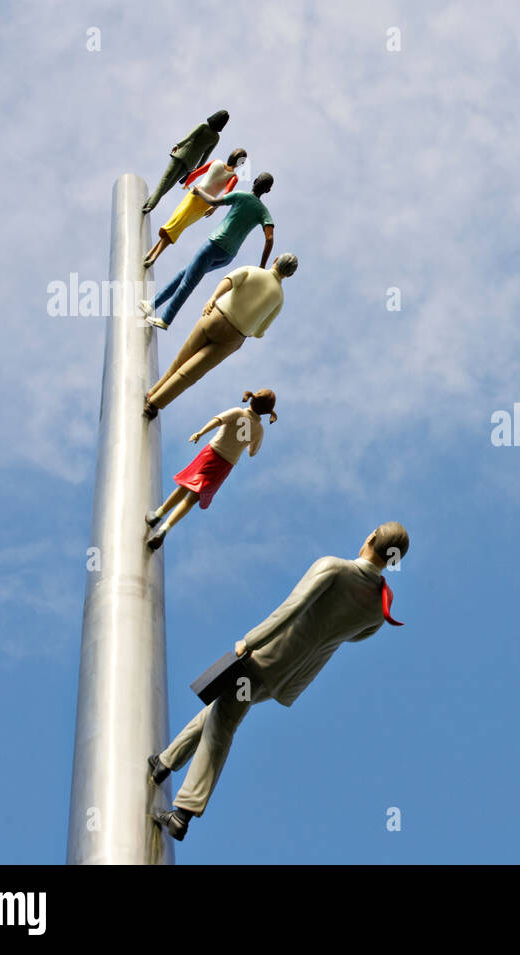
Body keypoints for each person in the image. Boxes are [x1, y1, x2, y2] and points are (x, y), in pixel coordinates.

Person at [149, 522, 411, 841]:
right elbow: (353, 637)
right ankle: (166, 762)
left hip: (262, 660)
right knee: (223, 708)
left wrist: (250, 641)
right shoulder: (378, 610)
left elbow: (291, 609)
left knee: (222, 725)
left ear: (371, 538)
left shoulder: (334, 567)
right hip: (288, 678)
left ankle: (184, 813)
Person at [143, 253, 296, 418]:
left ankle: (154, 391)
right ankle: (154, 403)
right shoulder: (279, 298)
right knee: (190, 373)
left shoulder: (253, 270)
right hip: (234, 336)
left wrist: (213, 298)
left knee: (181, 359)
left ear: (275, 260)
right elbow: (260, 330)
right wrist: (251, 328)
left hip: (215, 316)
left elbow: (229, 280)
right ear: (289, 275)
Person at [140, 172, 276, 331]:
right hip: (228, 256)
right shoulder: (263, 211)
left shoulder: (240, 196)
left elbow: (213, 201)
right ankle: (152, 304)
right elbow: (269, 238)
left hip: (215, 244)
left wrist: (199, 192)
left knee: (187, 283)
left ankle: (166, 319)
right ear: (268, 191)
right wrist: (262, 266)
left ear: (255, 181)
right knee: (184, 274)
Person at [145, 390, 277, 550]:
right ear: (266, 412)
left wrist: (200, 433)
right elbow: (252, 452)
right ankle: (165, 529)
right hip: (224, 466)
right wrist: (247, 442)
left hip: (211, 454)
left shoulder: (238, 412)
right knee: (193, 499)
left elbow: (217, 421)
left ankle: (158, 514)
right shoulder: (259, 430)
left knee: (185, 486)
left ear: (252, 400)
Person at [143, 148, 246, 268]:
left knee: (177, 224)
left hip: (195, 194)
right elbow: (225, 195)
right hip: (204, 204)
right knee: (177, 225)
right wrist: (214, 208)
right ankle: (153, 254)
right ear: (240, 162)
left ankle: (153, 255)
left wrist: (187, 184)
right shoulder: (233, 177)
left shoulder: (216, 162)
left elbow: (196, 173)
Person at [142, 110, 230, 214]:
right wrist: (198, 169)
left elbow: (189, 137)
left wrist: (178, 145)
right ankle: (149, 203)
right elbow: (206, 155)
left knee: (165, 181)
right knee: (169, 184)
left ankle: (150, 205)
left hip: (181, 155)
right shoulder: (216, 138)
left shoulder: (203, 126)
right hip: (190, 164)